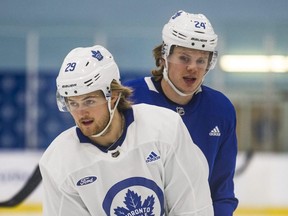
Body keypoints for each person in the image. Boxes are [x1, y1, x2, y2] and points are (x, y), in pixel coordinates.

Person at [39, 44, 214, 215]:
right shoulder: (58, 162)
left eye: (89, 101)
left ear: (113, 97)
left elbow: (193, 207)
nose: (80, 112)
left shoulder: (165, 127)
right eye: (73, 103)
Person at [124, 10, 239, 216]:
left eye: (201, 60)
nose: (192, 68)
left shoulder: (220, 109)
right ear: (164, 57)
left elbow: (221, 191)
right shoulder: (129, 99)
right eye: (184, 58)